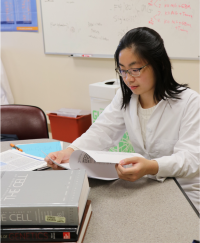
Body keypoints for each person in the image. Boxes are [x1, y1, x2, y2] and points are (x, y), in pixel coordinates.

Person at [45, 27, 200, 212]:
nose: (128, 79)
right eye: (123, 70)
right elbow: (102, 131)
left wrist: (151, 166)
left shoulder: (190, 102)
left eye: (135, 70)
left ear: (160, 65)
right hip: (146, 188)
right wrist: (69, 152)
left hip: (185, 193)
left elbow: (190, 159)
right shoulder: (125, 97)